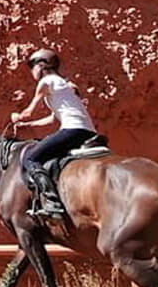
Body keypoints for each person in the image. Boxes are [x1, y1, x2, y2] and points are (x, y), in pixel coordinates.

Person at [10, 48, 99, 220]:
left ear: (42, 66)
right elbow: (53, 119)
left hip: (72, 130)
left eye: (33, 66)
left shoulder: (46, 82)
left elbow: (29, 111)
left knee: (30, 158)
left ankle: (52, 203)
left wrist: (17, 117)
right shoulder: (66, 84)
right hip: (87, 131)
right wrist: (27, 125)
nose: (32, 72)